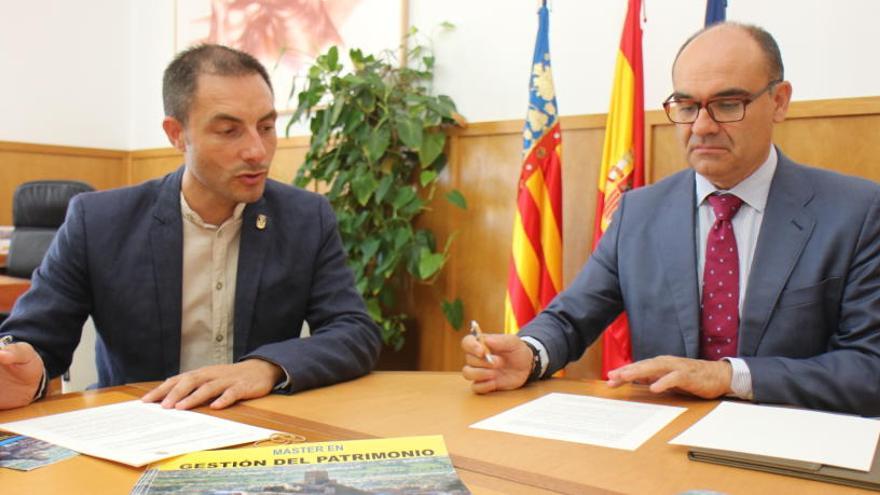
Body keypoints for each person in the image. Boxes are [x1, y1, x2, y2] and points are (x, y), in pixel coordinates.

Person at [462, 22, 880, 416]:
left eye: (727, 104)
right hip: (662, 445)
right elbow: (571, 318)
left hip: (792, 444)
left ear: (779, 101)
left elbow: (869, 368)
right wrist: (531, 353)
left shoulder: (856, 212)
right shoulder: (639, 212)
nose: (701, 126)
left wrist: (729, 376)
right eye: (685, 105)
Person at [0, 44, 382, 411]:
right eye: (229, 131)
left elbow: (353, 331)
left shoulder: (305, 217)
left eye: (265, 127)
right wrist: (25, 366)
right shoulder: (98, 221)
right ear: (176, 133)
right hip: (137, 428)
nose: (257, 151)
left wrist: (264, 368)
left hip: (259, 426)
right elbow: (36, 336)